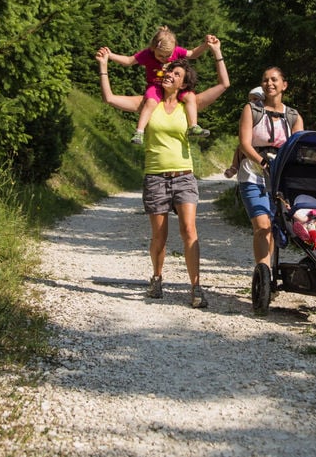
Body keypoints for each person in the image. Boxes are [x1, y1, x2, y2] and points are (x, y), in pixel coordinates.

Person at [95, 36, 229, 308]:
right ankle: (156, 278)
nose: (169, 74)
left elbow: (224, 84)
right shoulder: (148, 102)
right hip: (155, 177)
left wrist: (216, 52)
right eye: (169, 71)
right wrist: (103, 66)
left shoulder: (189, 103)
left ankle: (196, 287)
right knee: (159, 236)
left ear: (183, 83)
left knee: (189, 231)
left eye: (176, 74)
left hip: (184, 176)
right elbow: (109, 98)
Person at [236, 67, 304, 274]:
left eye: (274, 80)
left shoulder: (293, 116)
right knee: (262, 224)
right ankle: (263, 274)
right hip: (253, 174)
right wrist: (264, 163)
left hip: (280, 179)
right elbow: (244, 144)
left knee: (273, 227)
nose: (269, 84)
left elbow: (297, 148)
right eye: (265, 80)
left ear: (284, 85)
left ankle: (268, 277)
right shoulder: (252, 110)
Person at [103, 26, 213, 145]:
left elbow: (192, 54)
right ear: (153, 48)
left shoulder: (177, 51)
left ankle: (193, 126)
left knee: (190, 96)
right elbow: (129, 61)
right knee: (150, 102)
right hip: (155, 86)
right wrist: (110, 55)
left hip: (173, 86)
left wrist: (205, 45)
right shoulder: (147, 54)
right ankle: (139, 131)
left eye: (168, 56)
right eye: (160, 56)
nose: (165, 59)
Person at [223, 86, 265, 178]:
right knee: (242, 146)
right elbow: (243, 145)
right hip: (251, 165)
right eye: (251, 100)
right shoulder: (249, 113)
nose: (252, 102)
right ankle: (234, 167)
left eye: (255, 99)